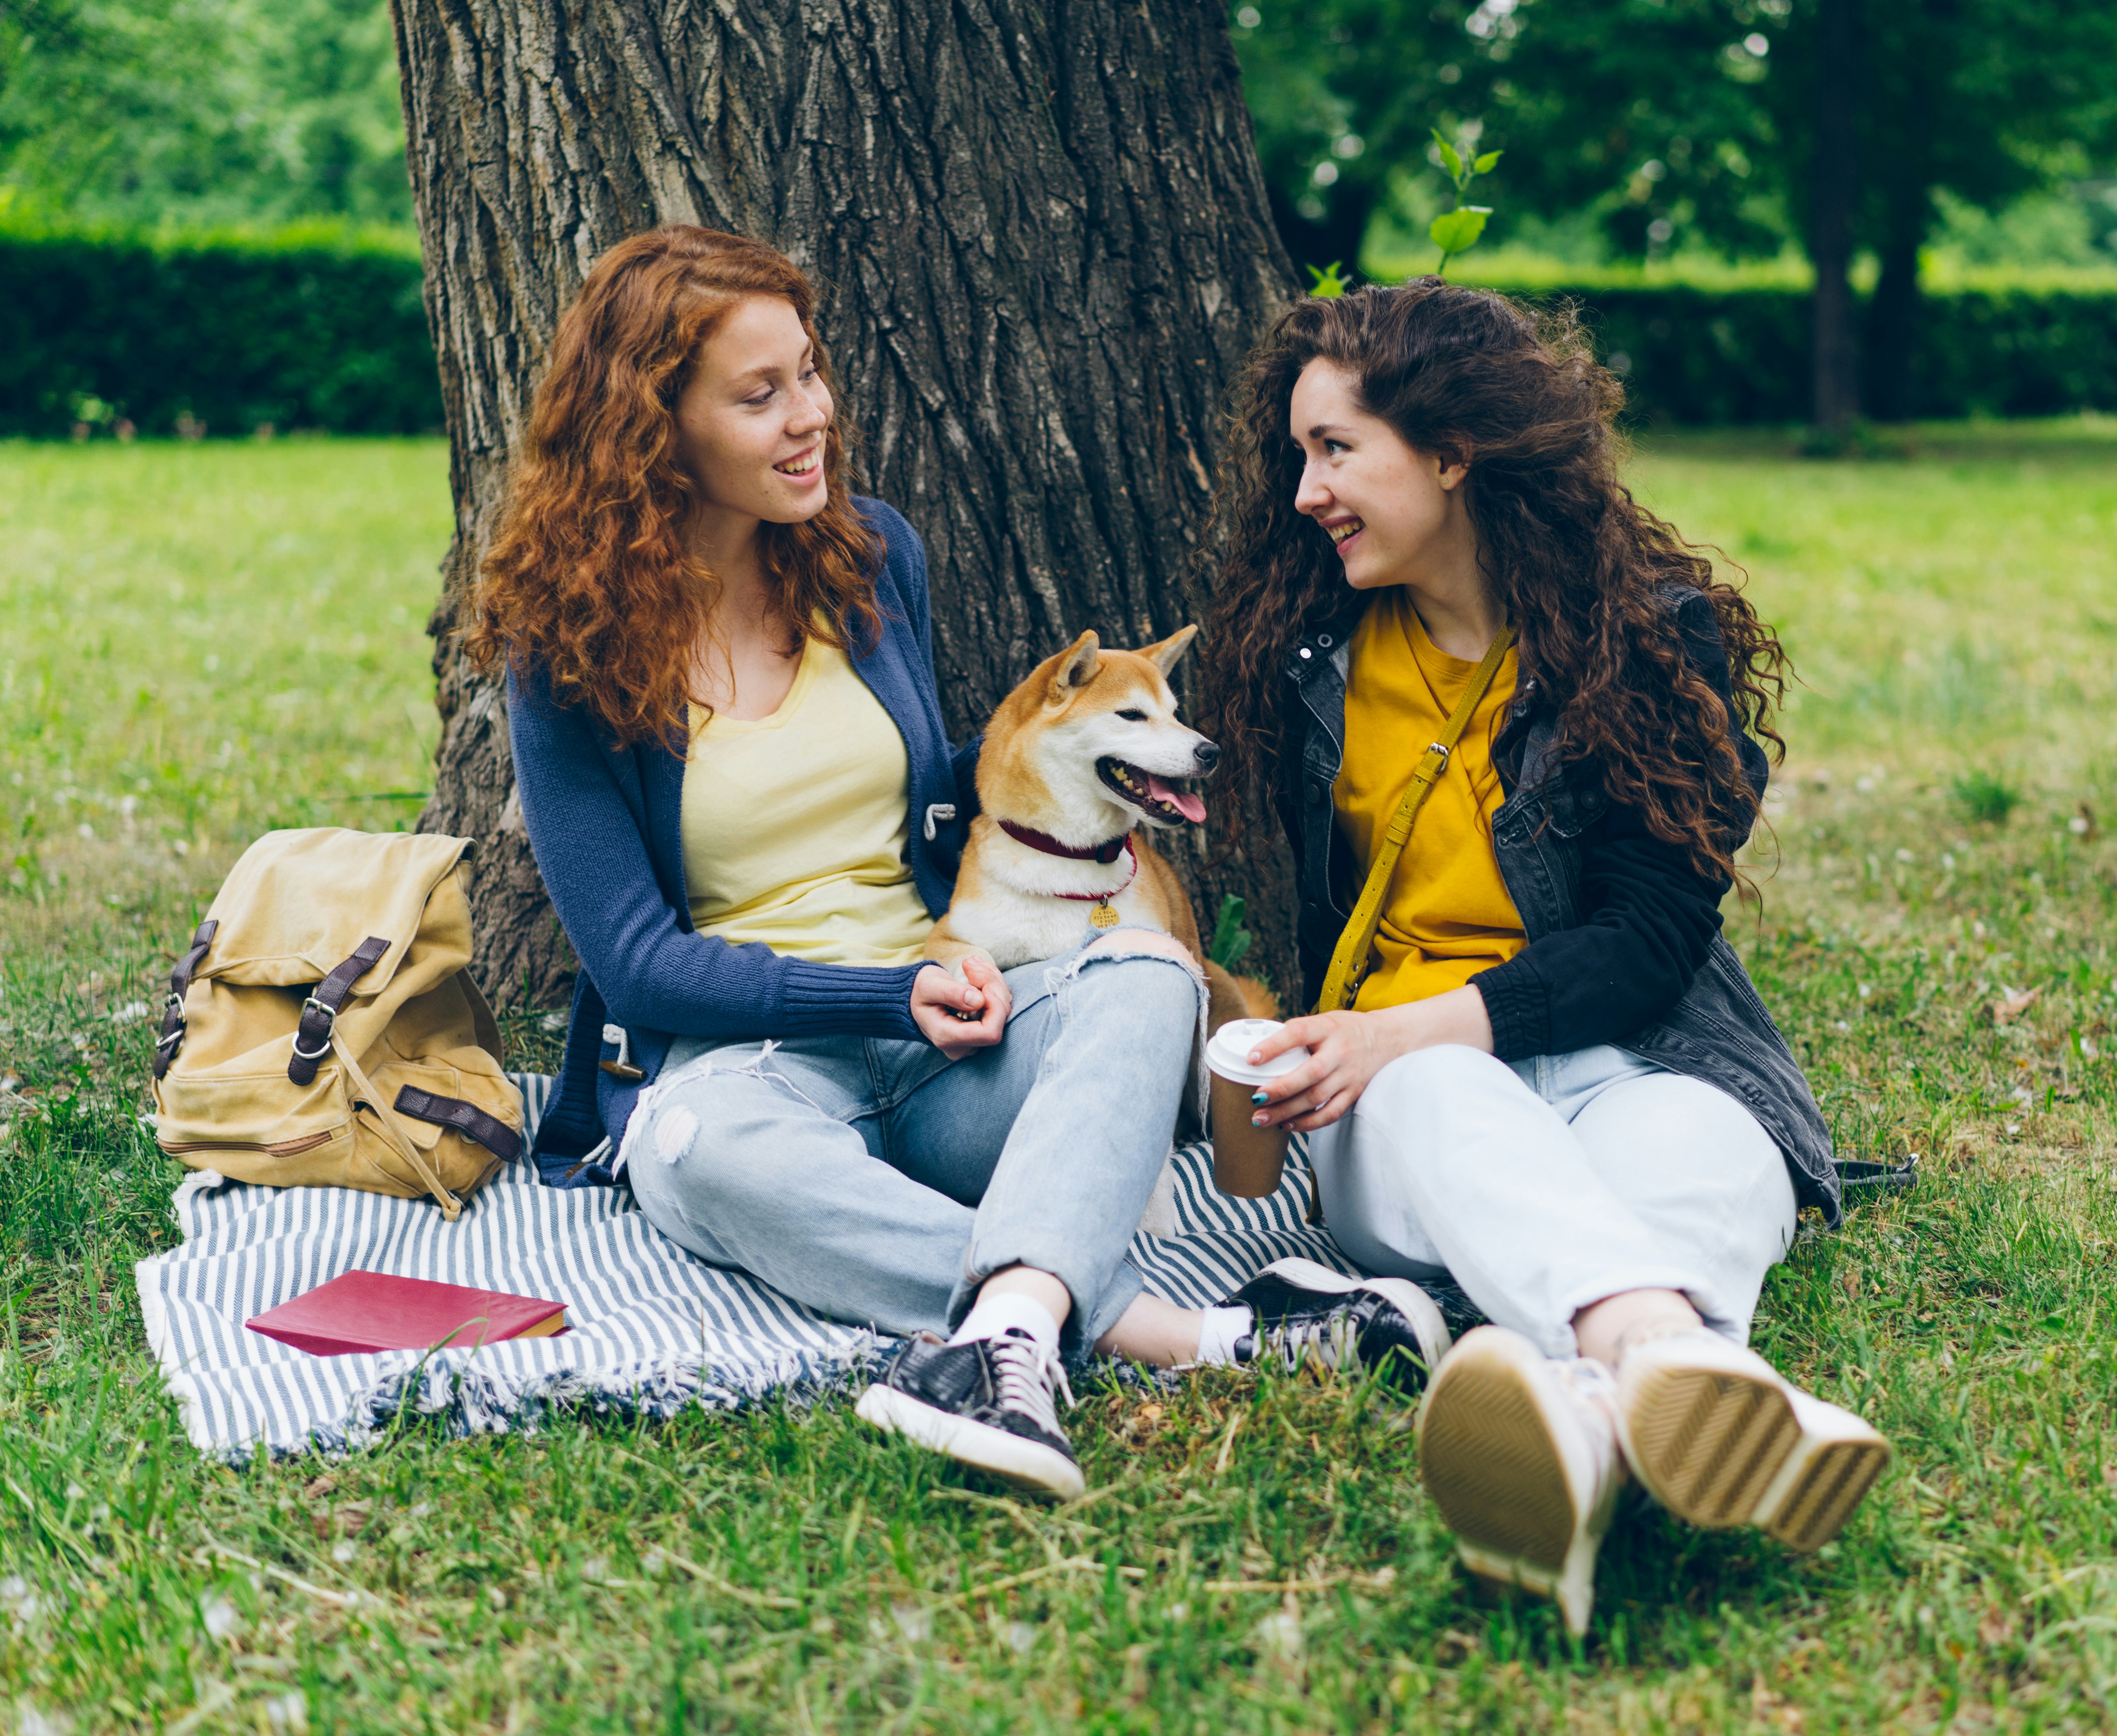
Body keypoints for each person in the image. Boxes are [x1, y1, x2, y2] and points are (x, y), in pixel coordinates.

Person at [472, 225, 1429, 1500]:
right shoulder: (568, 652)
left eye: (809, 372)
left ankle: (1004, 1343)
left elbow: (939, 790)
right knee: (691, 1145)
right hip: (760, 1066)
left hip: (966, 1037)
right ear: (654, 428)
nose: (811, 416)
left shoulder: (869, 556)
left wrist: (1093, 755)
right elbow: (639, 969)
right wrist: (879, 996)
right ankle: (1169, 1333)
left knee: (1148, 972)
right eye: (761, 396)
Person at [1198, 280, 1890, 1633]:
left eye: (1335, 450)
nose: (1303, 493)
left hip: (1644, 1054)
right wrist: (1387, 1036)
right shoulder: (1310, 655)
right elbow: (1384, 1026)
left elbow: (1646, 947)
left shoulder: (1645, 639)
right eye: (1299, 455)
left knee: (1702, 1148)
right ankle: (1666, 1360)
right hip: (1395, 1092)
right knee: (1452, 1099)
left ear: (1454, 452)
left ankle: (1584, 1435)